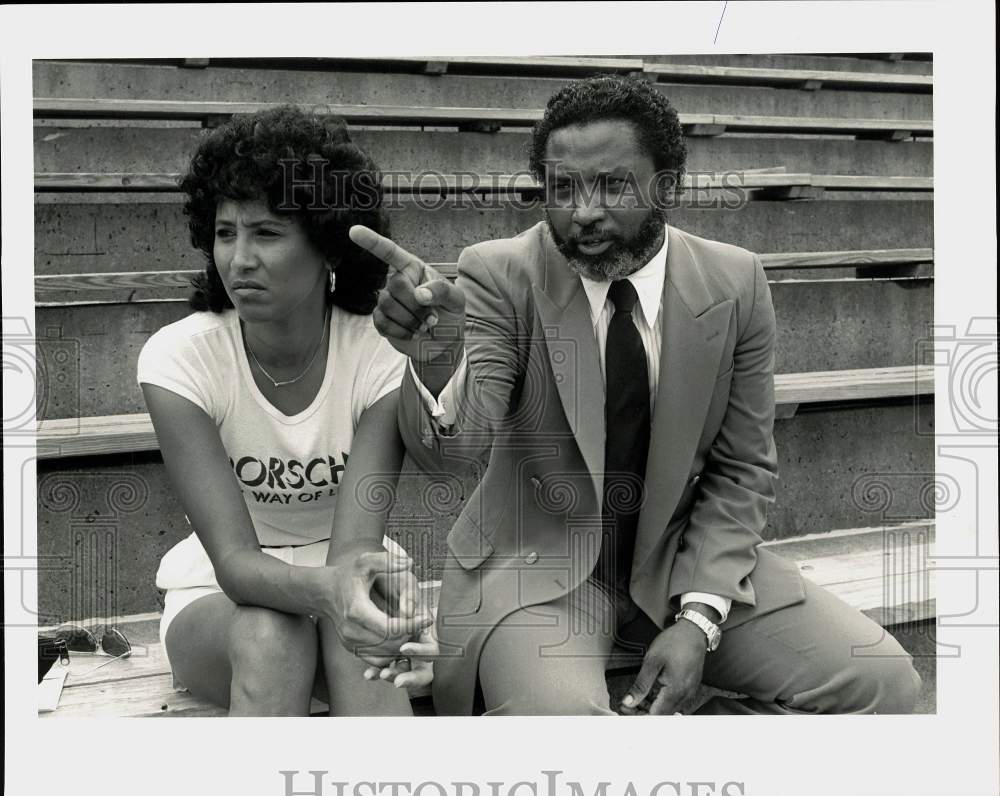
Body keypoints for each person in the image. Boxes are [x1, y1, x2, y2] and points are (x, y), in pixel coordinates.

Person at [350, 75, 923, 715]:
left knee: (887, 686)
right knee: (566, 727)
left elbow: (742, 469)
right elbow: (453, 457)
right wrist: (435, 362)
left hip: (685, 559)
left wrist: (699, 617)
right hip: (539, 574)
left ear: (669, 187)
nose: (584, 211)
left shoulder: (736, 283)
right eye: (562, 188)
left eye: (612, 184)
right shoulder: (500, 273)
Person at [137, 105, 430, 716]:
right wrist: (332, 594)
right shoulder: (178, 359)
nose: (239, 258)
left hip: (349, 568)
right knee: (273, 634)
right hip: (220, 598)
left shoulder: (379, 354)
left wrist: (349, 598)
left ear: (328, 247)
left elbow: (354, 548)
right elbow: (238, 566)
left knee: (362, 643)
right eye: (225, 232)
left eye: (266, 233)